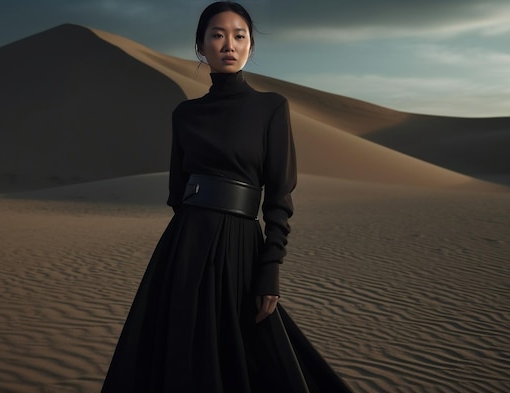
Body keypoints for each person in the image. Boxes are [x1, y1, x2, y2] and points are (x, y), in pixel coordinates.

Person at [101, 2, 353, 392]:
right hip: (184, 250)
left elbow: (280, 196)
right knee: (179, 356)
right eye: (217, 35)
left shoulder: (271, 107)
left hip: (241, 247)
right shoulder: (185, 114)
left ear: (251, 46)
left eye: (239, 35)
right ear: (201, 46)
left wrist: (270, 268)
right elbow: (177, 192)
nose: (228, 44)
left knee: (256, 356)